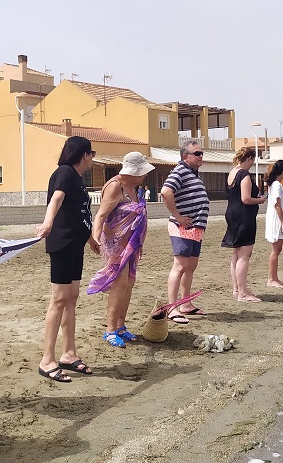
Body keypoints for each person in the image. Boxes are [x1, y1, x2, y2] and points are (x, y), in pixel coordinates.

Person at [36, 136, 101, 382]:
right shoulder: (64, 172)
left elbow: (78, 214)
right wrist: (47, 222)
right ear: (84, 154)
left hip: (76, 245)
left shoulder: (78, 179)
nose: (92, 158)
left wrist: (90, 240)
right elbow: (57, 199)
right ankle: (47, 359)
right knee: (59, 299)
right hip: (62, 244)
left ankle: (69, 354)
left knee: (71, 298)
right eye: (91, 153)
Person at [88, 152, 153, 347]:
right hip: (116, 244)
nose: (144, 176)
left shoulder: (134, 187)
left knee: (129, 282)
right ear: (132, 172)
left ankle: (121, 326)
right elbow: (100, 215)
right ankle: (110, 330)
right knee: (119, 283)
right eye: (142, 172)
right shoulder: (116, 186)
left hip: (131, 244)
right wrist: (95, 238)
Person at [160, 141, 211, 323]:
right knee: (180, 266)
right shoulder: (180, 171)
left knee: (190, 266)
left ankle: (185, 303)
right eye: (197, 153)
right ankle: (172, 307)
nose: (200, 156)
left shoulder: (192, 174)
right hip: (182, 227)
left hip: (195, 228)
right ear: (185, 156)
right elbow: (166, 192)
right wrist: (178, 216)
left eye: (201, 153)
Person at [221, 147, 267, 302]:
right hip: (244, 216)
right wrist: (260, 200)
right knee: (244, 255)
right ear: (250, 159)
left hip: (232, 214)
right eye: (253, 161)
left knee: (236, 254)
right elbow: (246, 198)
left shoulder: (232, 173)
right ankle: (242, 292)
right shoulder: (244, 174)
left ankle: (237, 288)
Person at [263, 160, 283, 289]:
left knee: (277, 249)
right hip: (276, 219)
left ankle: (274, 277)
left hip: (276, 217)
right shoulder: (277, 185)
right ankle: (271, 278)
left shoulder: (275, 184)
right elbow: (277, 205)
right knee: (276, 249)